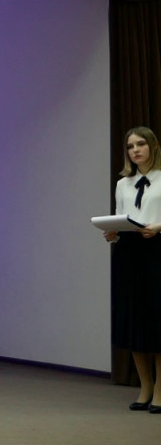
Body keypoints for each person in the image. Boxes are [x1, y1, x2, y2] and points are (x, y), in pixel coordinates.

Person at [104, 126, 161, 413]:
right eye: (130, 146)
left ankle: (160, 391)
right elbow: (121, 216)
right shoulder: (123, 184)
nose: (135, 150)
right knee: (134, 321)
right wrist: (112, 232)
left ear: (153, 146)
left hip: (157, 251)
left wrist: (159, 227)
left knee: (157, 321)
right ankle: (145, 387)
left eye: (140, 144)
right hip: (128, 253)